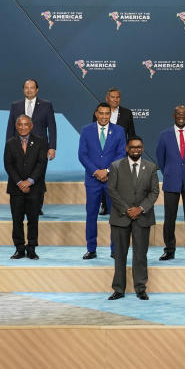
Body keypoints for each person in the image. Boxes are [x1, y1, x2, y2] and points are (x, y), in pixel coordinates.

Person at [107, 135, 160, 300]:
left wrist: (141, 208)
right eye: (133, 147)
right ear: (127, 149)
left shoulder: (151, 167)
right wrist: (126, 209)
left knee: (140, 255)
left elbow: (154, 192)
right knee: (119, 255)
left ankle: (140, 288)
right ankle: (119, 289)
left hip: (142, 217)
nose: (136, 149)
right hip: (120, 217)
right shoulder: (116, 166)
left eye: (139, 147)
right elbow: (112, 191)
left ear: (142, 149)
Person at [78, 102, 126, 259]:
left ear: (110, 115)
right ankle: (91, 249)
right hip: (92, 180)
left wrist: (106, 171)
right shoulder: (86, 130)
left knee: (115, 216)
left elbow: (121, 154)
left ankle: (115, 249)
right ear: (96, 114)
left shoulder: (119, 131)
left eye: (107, 113)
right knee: (91, 215)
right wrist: (95, 171)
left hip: (112, 180)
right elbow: (82, 155)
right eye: (101, 113)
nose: (104, 116)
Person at [155, 105, 185, 261]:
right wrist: (170, 172)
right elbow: (160, 159)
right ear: (174, 116)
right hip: (171, 181)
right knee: (169, 217)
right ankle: (169, 249)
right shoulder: (164, 135)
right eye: (178, 114)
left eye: (184, 114)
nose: (181, 117)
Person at [7, 79, 56, 214]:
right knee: (19, 173)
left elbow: (52, 127)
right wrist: (8, 145)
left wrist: (52, 147)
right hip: (19, 147)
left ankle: (36, 207)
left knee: (38, 176)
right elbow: (11, 126)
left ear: (37, 89)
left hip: (40, 147)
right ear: (23, 89)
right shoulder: (15, 105)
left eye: (32, 88)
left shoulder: (46, 105)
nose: (29, 90)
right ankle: (20, 204)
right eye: (26, 88)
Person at [3, 114, 46, 258]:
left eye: (25, 124)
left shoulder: (40, 142)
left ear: (31, 126)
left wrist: (30, 181)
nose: (22, 127)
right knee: (17, 220)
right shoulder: (10, 143)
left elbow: (41, 164)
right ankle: (19, 248)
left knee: (33, 220)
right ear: (16, 126)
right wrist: (20, 182)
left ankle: (32, 248)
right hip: (16, 189)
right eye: (20, 124)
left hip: (35, 188)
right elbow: (8, 164)